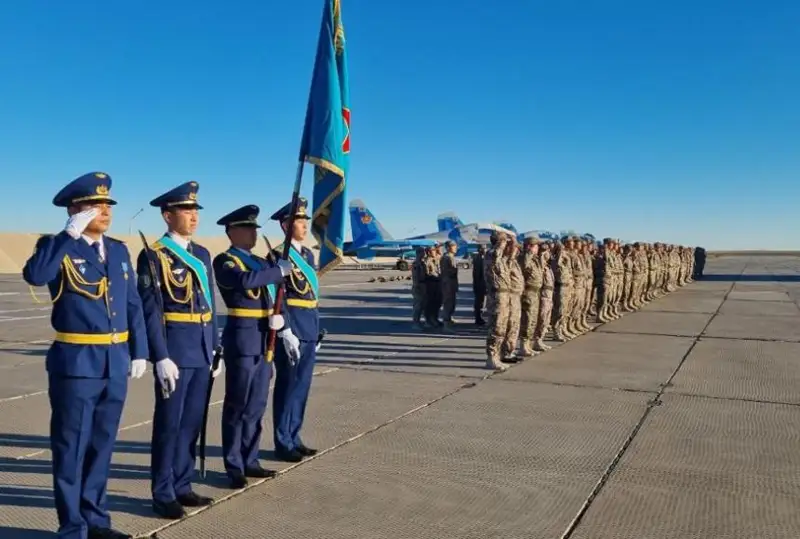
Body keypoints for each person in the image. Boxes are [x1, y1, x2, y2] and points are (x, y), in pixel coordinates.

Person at [22, 171, 148, 539]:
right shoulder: (58, 246)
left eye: (108, 204)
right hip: (76, 364)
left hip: (115, 363)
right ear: (75, 209)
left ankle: (96, 520)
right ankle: (72, 527)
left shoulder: (120, 251)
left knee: (101, 446)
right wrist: (68, 235)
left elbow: (133, 305)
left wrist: (139, 351)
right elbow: (36, 275)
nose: (105, 210)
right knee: (71, 447)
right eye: (96, 204)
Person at [136, 181, 220, 519]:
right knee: (169, 425)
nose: (194, 216)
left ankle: (183, 484)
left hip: (201, 351)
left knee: (191, 424)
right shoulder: (153, 255)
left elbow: (210, 304)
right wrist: (160, 356)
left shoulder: (201, 254)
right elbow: (151, 310)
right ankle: (163, 492)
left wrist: (215, 348)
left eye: (196, 210)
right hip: (175, 353)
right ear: (167, 215)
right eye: (186, 210)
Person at [212, 205, 292, 488]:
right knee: (237, 404)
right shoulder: (226, 261)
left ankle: (251, 459)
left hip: (265, 339)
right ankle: (233, 464)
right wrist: (277, 272)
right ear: (231, 231)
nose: (252, 233)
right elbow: (244, 282)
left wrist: (280, 320)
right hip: (243, 340)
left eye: (255, 229)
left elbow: (274, 290)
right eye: (246, 228)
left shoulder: (261, 262)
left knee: (256, 405)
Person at [269, 197, 324, 462]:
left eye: (305, 220)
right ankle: (282, 441)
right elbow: (277, 296)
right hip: (292, 331)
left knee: (302, 387)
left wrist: (317, 330)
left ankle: (294, 435)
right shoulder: (278, 256)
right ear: (285, 225)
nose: (304, 225)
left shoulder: (308, 255)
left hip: (309, 329)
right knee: (288, 387)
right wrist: (285, 330)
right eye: (299, 221)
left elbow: (311, 296)